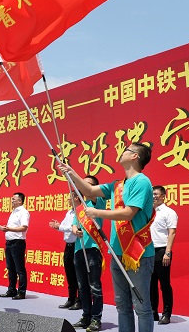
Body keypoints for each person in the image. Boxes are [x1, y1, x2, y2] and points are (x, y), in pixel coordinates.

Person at [58, 142, 155, 332]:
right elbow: (90, 191)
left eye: (126, 150)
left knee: (142, 307)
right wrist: (71, 172)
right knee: (122, 306)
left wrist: (96, 213)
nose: (122, 152)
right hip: (117, 253)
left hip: (138, 254)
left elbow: (128, 213)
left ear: (135, 156)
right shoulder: (117, 185)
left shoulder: (142, 182)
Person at [71, 176, 106, 332]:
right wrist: (75, 231)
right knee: (82, 287)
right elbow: (74, 225)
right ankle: (86, 316)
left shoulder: (98, 202)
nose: (84, 186)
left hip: (92, 250)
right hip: (79, 250)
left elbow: (91, 193)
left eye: (88, 184)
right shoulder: (78, 209)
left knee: (94, 287)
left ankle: (96, 319)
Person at [0, 192, 30, 300]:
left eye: (13, 199)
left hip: (17, 242)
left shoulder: (23, 212)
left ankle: (21, 292)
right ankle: (12, 290)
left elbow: (24, 227)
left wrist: (9, 229)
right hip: (9, 242)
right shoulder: (13, 212)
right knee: (10, 268)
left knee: (19, 268)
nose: (11, 201)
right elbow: (6, 229)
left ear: (20, 201)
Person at [150, 185, 178, 325]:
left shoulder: (169, 212)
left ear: (163, 196)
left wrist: (168, 252)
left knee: (164, 284)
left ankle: (166, 313)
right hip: (149, 251)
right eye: (152, 194)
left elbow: (172, 232)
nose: (154, 197)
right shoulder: (148, 212)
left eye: (156, 194)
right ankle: (153, 312)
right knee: (151, 284)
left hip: (162, 251)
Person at [49, 195, 80, 311]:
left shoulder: (81, 211)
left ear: (76, 198)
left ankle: (79, 300)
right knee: (70, 274)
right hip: (68, 246)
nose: (68, 199)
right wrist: (57, 226)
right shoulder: (69, 212)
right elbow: (63, 226)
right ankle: (71, 299)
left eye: (70, 197)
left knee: (78, 275)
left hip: (77, 246)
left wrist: (60, 226)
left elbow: (73, 228)